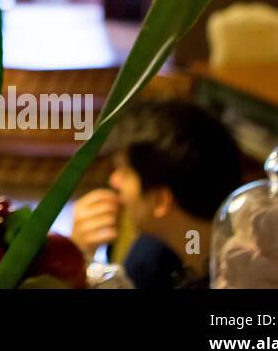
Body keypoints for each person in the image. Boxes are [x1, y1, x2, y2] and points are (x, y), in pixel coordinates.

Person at [70, 99, 243, 288]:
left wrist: (73, 263)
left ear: (160, 201)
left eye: (124, 172)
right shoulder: (151, 257)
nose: (114, 180)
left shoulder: (252, 276)